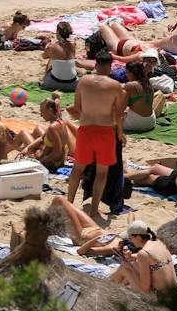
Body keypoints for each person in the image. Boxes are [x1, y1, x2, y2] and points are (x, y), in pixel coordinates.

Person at [66, 50, 126, 217]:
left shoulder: (83, 82)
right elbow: (118, 114)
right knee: (101, 173)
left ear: (95, 64)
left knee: (77, 169)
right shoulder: (115, 86)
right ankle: (93, 209)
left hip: (85, 129)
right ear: (110, 66)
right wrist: (120, 133)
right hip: (105, 131)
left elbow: (77, 108)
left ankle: (69, 202)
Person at [21, 96, 75, 169]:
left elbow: (58, 151)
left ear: (49, 110)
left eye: (42, 111)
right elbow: (42, 138)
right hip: (59, 161)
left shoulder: (53, 127)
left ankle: (2, 155)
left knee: (23, 134)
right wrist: (28, 147)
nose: (41, 115)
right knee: (34, 146)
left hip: (52, 163)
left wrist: (41, 161)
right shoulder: (61, 122)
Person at [121, 59, 164, 133]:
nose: (126, 74)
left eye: (127, 72)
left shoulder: (130, 85)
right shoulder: (148, 83)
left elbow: (122, 107)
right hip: (151, 121)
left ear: (131, 73)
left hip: (136, 124)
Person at [40, 23, 79, 92]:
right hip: (73, 84)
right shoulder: (73, 45)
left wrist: (47, 47)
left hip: (53, 83)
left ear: (57, 32)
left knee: (51, 59)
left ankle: (44, 80)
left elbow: (43, 56)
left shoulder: (51, 47)